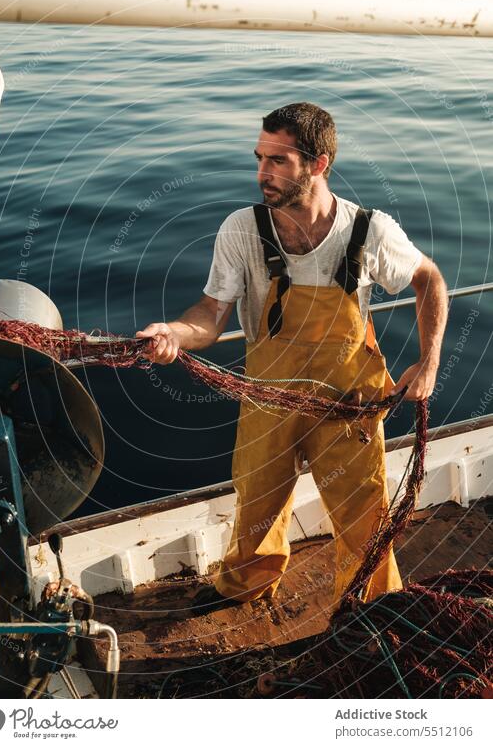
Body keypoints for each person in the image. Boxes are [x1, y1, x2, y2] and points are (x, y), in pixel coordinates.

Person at [136, 102, 448, 614]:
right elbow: (211, 316)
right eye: (260, 158)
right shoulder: (241, 229)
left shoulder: (369, 231)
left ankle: (372, 606)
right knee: (257, 501)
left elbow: (429, 280)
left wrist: (429, 362)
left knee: (363, 514)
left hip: (349, 400)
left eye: (278, 161)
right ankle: (246, 585)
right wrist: (172, 332)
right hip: (269, 397)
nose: (262, 173)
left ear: (319, 163)